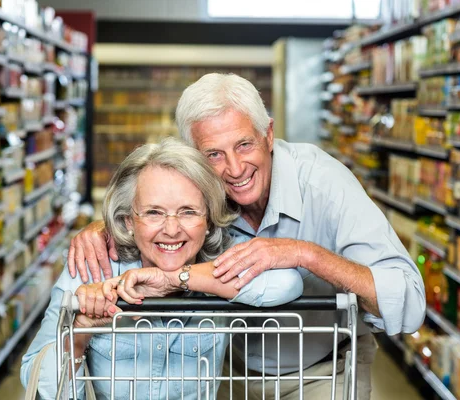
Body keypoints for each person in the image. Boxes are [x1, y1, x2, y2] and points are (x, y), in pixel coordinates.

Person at [67, 73, 426, 399]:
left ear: (268, 134)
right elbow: (154, 206)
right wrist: (107, 225)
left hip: (320, 371)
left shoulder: (324, 184)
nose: (235, 169)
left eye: (244, 145)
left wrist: (306, 254)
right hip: (225, 373)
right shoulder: (201, 190)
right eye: (213, 154)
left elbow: (408, 301)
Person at [21, 137, 303, 399]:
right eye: (154, 212)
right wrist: (79, 333)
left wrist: (174, 279)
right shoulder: (93, 267)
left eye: (188, 212)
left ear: (209, 220)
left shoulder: (221, 257)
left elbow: (287, 283)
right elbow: (38, 382)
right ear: (129, 221)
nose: (171, 229)